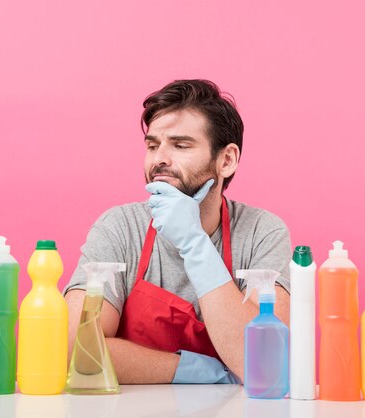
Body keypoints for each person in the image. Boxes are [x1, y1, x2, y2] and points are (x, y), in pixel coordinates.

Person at [64, 79, 291, 384]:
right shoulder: (119, 228)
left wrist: (194, 244)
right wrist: (191, 370)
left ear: (226, 160)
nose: (159, 159)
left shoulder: (261, 233)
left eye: (181, 145)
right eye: (153, 145)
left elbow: (265, 365)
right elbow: (76, 348)